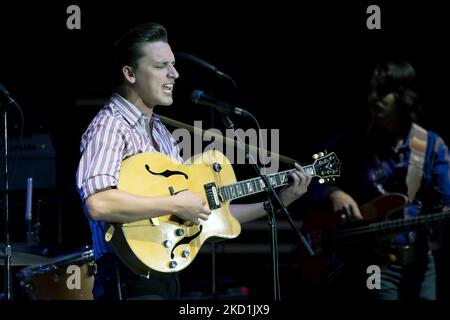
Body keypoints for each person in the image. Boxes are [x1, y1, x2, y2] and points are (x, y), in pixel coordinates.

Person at [75, 22, 312, 300]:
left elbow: (210, 213)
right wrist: (176, 203)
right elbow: (98, 203)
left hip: (167, 276)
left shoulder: (160, 132)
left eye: (173, 65)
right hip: (127, 280)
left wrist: (277, 201)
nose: (174, 74)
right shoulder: (110, 126)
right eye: (161, 66)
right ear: (130, 73)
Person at [305, 60, 450, 300]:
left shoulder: (432, 145)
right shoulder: (352, 141)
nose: (373, 97)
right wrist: (333, 193)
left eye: (382, 91)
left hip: (421, 263)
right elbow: (307, 179)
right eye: (371, 89)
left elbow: (445, 202)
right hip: (371, 265)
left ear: (404, 95)